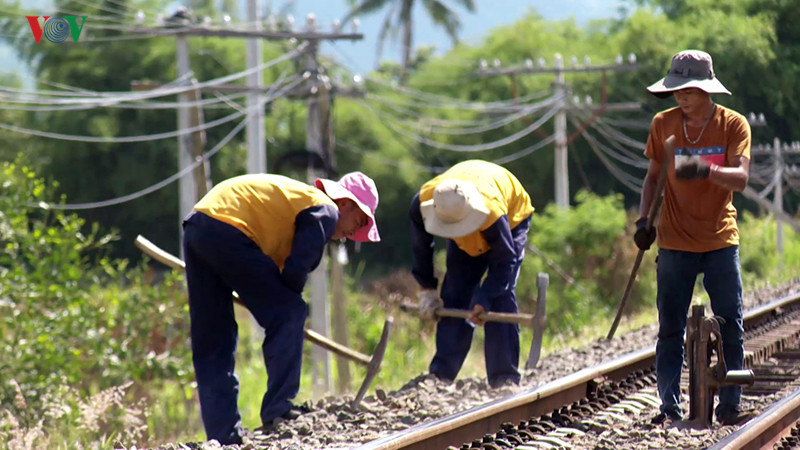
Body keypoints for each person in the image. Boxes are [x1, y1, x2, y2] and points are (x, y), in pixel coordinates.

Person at [182, 171, 380, 444]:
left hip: (198, 225)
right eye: (358, 222)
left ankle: (224, 438)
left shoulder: (294, 208)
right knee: (291, 312)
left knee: (214, 344)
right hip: (230, 228)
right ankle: (279, 409)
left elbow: (276, 270)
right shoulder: (325, 209)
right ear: (345, 203)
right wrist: (289, 315)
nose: (351, 235)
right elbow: (296, 271)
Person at [637, 49, 751, 426]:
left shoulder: (733, 125)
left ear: (706, 90)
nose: (681, 97)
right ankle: (669, 407)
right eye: (676, 90)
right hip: (674, 241)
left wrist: (704, 169)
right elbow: (653, 178)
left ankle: (730, 404)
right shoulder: (663, 124)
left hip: (720, 239)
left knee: (730, 323)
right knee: (670, 328)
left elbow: (741, 179)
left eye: (688, 90)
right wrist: (643, 221)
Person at [409, 160, 534, 388]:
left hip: (511, 219)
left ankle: (504, 378)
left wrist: (484, 298)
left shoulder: (492, 212)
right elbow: (421, 246)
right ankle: (441, 375)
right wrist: (426, 288)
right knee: (456, 290)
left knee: (500, 296)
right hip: (465, 229)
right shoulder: (425, 201)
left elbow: (504, 262)